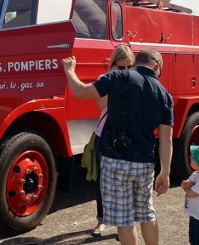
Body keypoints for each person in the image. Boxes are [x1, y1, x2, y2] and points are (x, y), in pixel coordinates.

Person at [63, 48, 173, 245]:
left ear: (136, 61)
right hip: (145, 163)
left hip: (115, 160)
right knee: (147, 214)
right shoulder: (165, 95)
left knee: (125, 221)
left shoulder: (115, 77)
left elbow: (80, 92)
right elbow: (166, 140)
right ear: (156, 65)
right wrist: (164, 172)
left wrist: (69, 70)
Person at [88, 44, 134, 237]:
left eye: (129, 67)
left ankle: (124, 225)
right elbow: (100, 103)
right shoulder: (105, 80)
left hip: (128, 136)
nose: (125, 71)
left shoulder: (136, 81)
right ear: (113, 65)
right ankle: (101, 221)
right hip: (105, 134)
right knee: (103, 182)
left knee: (126, 181)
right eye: (121, 67)